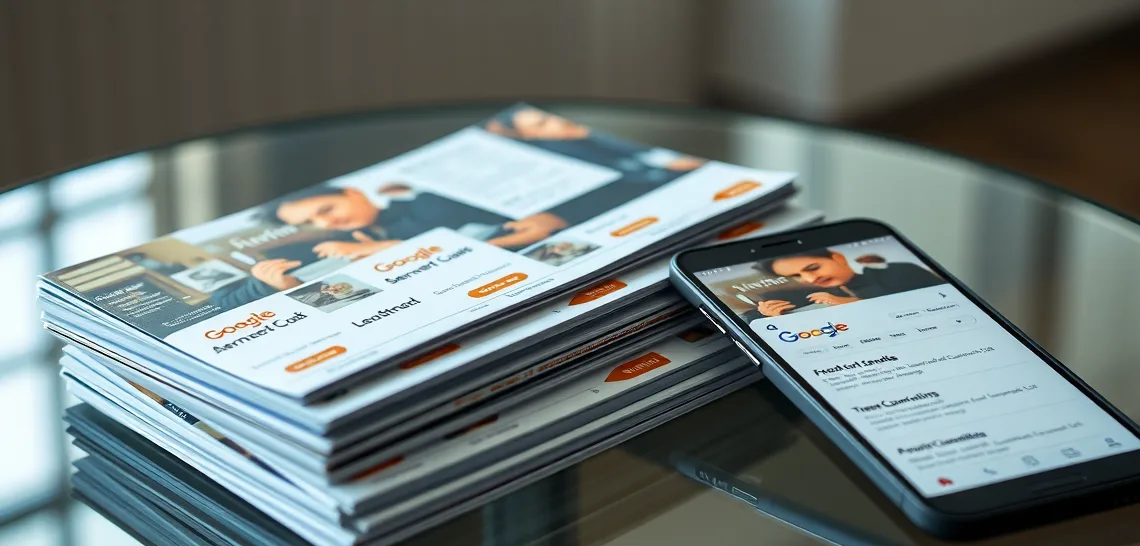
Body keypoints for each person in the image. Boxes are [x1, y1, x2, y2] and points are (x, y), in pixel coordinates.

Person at [208, 184, 567, 307]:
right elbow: (219, 299)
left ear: (353, 192)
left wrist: (388, 249)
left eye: (326, 209)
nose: (324, 223)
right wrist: (268, 285)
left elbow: (539, 225)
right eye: (311, 223)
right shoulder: (324, 248)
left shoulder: (428, 204)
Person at [485, 107, 706, 224]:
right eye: (542, 123)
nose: (558, 122)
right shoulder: (565, 155)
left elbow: (639, 153)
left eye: (549, 117)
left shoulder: (585, 137)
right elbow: (634, 177)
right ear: (530, 136)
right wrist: (669, 168)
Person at [742, 248, 943, 320]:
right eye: (796, 275)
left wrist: (850, 303)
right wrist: (768, 316)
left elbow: (939, 305)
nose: (810, 279)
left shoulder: (900, 271)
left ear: (837, 257)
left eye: (813, 268)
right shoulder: (813, 293)